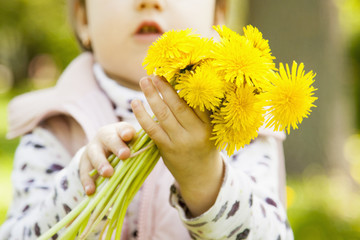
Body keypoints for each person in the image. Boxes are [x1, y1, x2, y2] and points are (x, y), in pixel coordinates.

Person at [0, 0, 294, 239]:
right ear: (83, 19)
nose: (148, 2)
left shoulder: (244, 127)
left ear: (218, 15)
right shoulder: (52, 125)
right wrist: (81, 186)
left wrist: (206, 181)